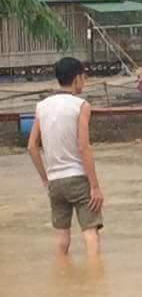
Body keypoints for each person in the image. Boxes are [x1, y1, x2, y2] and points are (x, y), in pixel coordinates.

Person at [28, 56, 104, 258]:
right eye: (83, 78)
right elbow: (83, 147)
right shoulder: (81, 105)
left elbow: (32, 147)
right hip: (77, 178)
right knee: (91, 233)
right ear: (77, 78)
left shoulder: (42, 106)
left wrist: (45, 179)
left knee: (62, 238)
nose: (84, 82)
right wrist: (95, 186)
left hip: (55, 181)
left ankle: (62, 273)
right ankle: (95, 275)